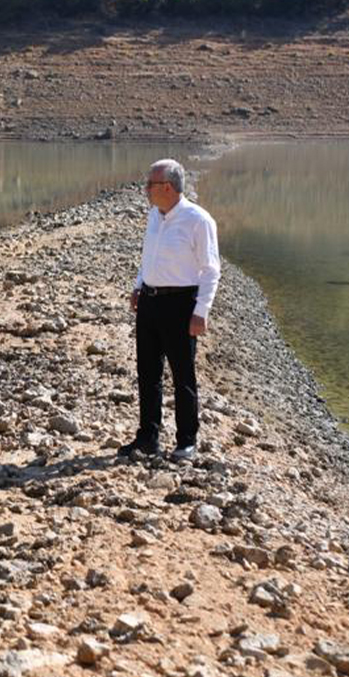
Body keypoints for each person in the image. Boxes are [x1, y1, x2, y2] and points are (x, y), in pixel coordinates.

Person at [119, 159, 221, 462]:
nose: (145, 190)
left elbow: (211, 270)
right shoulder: (154, 215)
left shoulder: (198, 220)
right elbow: (149, 256)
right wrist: (139, 285)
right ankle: (148, 437)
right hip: (150, 302)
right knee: (147, 372)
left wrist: (201, 311)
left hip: (180, 305)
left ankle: (187, 440)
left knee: (182, 375)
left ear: (167, 187)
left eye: (149, 184)